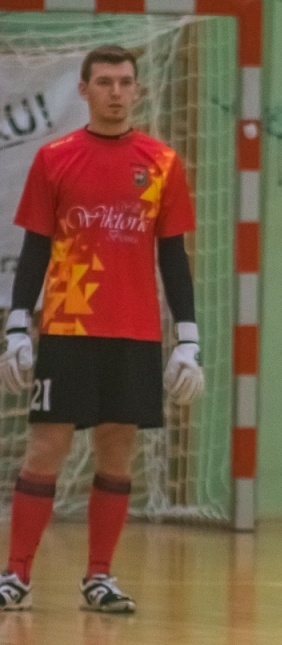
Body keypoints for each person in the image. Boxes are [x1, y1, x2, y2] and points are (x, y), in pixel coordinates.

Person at [0, 44, 206, 614]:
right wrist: (19, 325)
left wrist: (187, 335)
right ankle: (15, 575)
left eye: (125, 82)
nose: (116, 91)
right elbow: (35, 246)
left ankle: (99, 577)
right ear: (85, 90)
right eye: (105, 82)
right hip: (67, 327)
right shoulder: (54, 158)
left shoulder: (162, 163)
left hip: (135, 333)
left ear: (137, 90)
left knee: (117, 452)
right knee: (46, 447)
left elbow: (174, 257)